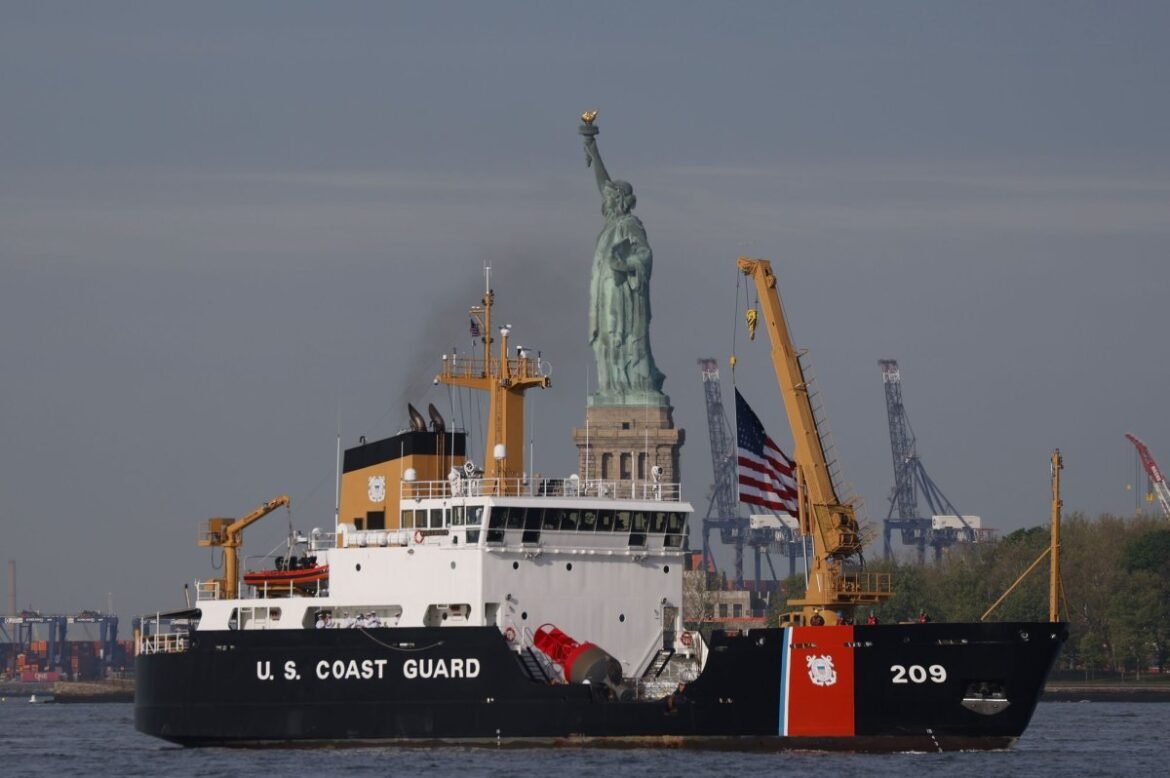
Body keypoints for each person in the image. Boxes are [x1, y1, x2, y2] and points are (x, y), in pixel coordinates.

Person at [581, 122, 667, 403]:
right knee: (605, 341)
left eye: (609, 198)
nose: (603, 201)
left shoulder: (629, 225)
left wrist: (626, 265)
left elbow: (645, 255)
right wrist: (592, 147)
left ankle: (633, 386)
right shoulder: (610, 225)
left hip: (625, 296)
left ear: (619, 201)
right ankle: (611, 388)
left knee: (625, 341)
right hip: (606, 296)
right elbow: (603, 184)